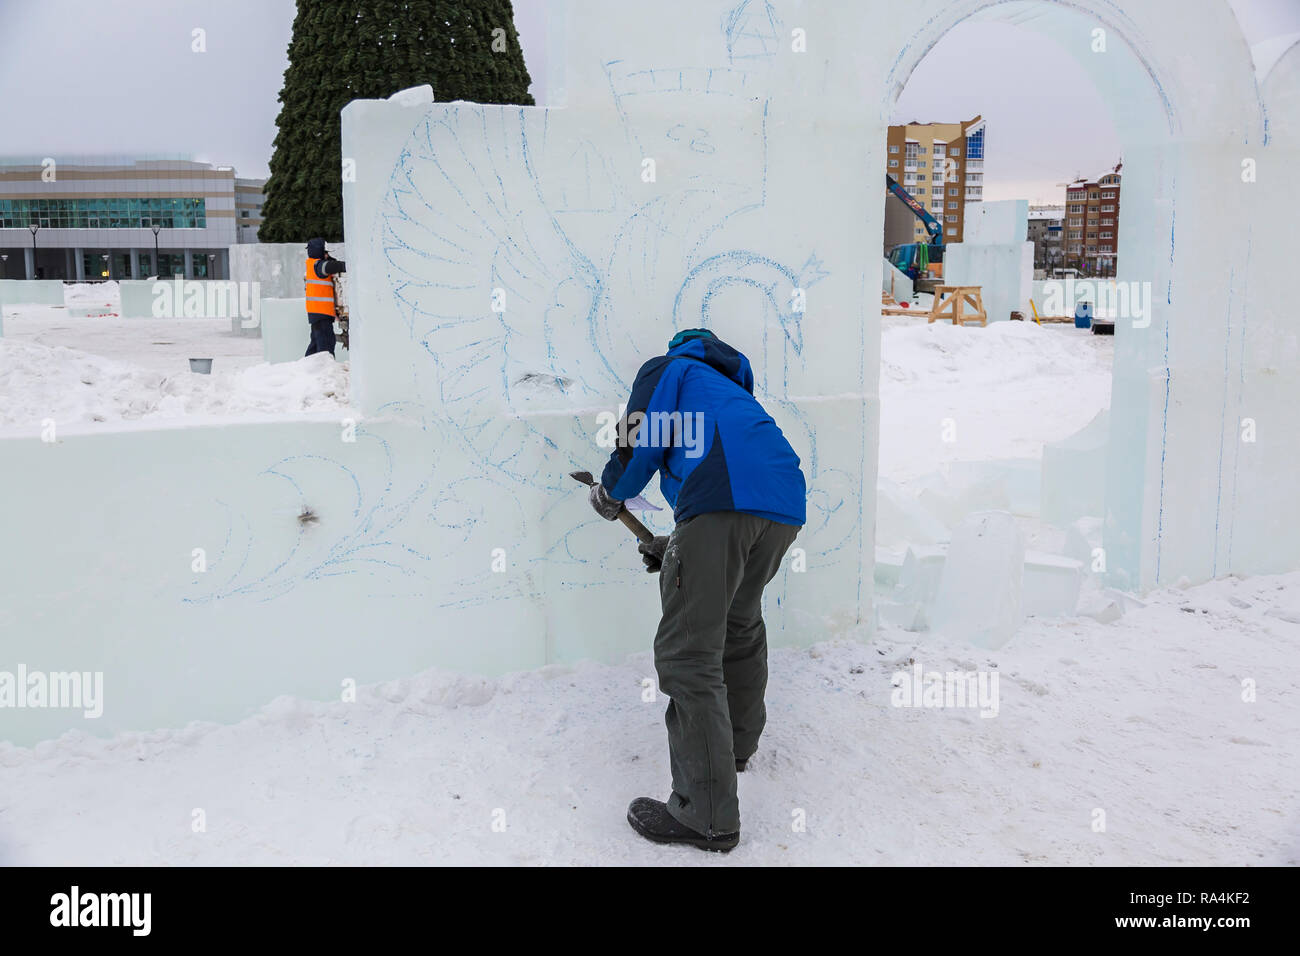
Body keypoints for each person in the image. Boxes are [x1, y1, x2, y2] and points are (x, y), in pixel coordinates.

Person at [588, 328, 806, 851]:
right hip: (784, 506)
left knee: (688, 653)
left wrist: (610, 491)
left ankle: (705, 814)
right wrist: (677, 548)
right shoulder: (731, 392)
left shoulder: (669, 370)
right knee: (738, 618)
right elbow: (725, 508)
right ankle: (734, 747)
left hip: (721, 504)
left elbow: (642, 435)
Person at [305, 237, 346, 357]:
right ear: (320, 252)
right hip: (321, 311)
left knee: (316, 343)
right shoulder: (318, 266)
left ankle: (306, 367)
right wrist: (349, 265)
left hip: (316, 312)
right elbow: (331, 267)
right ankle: (326, 367)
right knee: (326, 344)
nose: (327, 255)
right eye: (326, 252)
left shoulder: (312, 264)